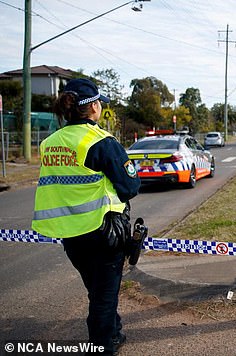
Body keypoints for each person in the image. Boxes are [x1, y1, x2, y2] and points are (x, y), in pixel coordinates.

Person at [32, 78, 140, 355]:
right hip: (103, 231)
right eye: (99, 103)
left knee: (97, 289)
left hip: (70, 233)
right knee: (104, 296)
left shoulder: (49, 143)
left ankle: (113, 333)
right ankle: (102, 346)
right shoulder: (101, 141)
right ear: (93, 106)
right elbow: (129, 187)